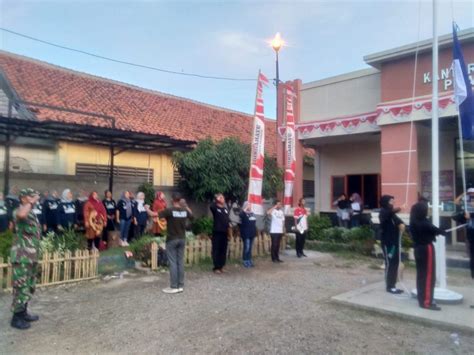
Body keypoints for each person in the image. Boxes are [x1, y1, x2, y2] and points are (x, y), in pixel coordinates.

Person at [149, 193, 193, 294]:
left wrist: (146, 208)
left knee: (173, 262)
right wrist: (186, 206)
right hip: (182, 238)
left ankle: (174, 286)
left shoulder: (170, 210)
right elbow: (192, 216)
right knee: (180, 262)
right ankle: (180, 285)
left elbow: (153, 214)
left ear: (172, 200)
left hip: (172, 239)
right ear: (180, 200)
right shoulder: (185, 210)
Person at [10, 188, 41, 330]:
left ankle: (23, 312)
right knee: (21, 286)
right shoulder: (18, 211)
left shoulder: (32, 214)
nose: (34, 199)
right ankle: (16, 318)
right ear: (23, 199)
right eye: (30, 196)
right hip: (21, 256)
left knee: (29, 285)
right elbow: (22, 214)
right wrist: (30, 202)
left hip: (31, 256)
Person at [410, 201, 445, 311]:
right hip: (426, 249)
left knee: (421, 275)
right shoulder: (424, 223)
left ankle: (422, 299)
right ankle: (426, 302)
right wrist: (441, 231)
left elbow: (431, 230)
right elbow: (438, 230)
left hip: (418, 249)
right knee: (428, 275)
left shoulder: (414, 221)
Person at [379, 195, 405, 294]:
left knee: (395, 263)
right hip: (388, 243)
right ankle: (389, 286)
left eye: (393, 201)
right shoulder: (383, 212)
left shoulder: (392, 214)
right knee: (389, 263)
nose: (393, 203)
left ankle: (393, 285)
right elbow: (389, 213)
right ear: (386, 202)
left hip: (395, 242)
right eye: (391, 201)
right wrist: (400, 208)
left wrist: (401, 224)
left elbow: (398, 220)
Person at [453, 189, 474, 308]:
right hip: (471, 236)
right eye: (470, 194)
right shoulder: (467, 201)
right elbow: (456, 202)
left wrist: (470, 214)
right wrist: (464, 194)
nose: (471, 196)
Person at [210, 193, 230, 274]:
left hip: (224, 232)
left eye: (223, 197)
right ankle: (216, 267)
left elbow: (227, 221)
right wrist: (216, 199)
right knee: (216, 249)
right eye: (221, 197)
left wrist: (229, 232)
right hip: (217, 232)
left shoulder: (225, 209)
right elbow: (211, 206)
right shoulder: (215, 208)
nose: (223, 198)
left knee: (223, 250)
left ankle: (221, 266)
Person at [239, 201, 257, 268]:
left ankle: (249, 259)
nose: (250, 206)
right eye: (248, 205)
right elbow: (240, 215)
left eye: (250, 205)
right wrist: (245, 209)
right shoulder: (243, 213)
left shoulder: (252, 213)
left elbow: (253, 222)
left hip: (252, 233)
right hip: (246, 233)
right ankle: (245, 260)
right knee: (247, 247)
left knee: (250, 248)